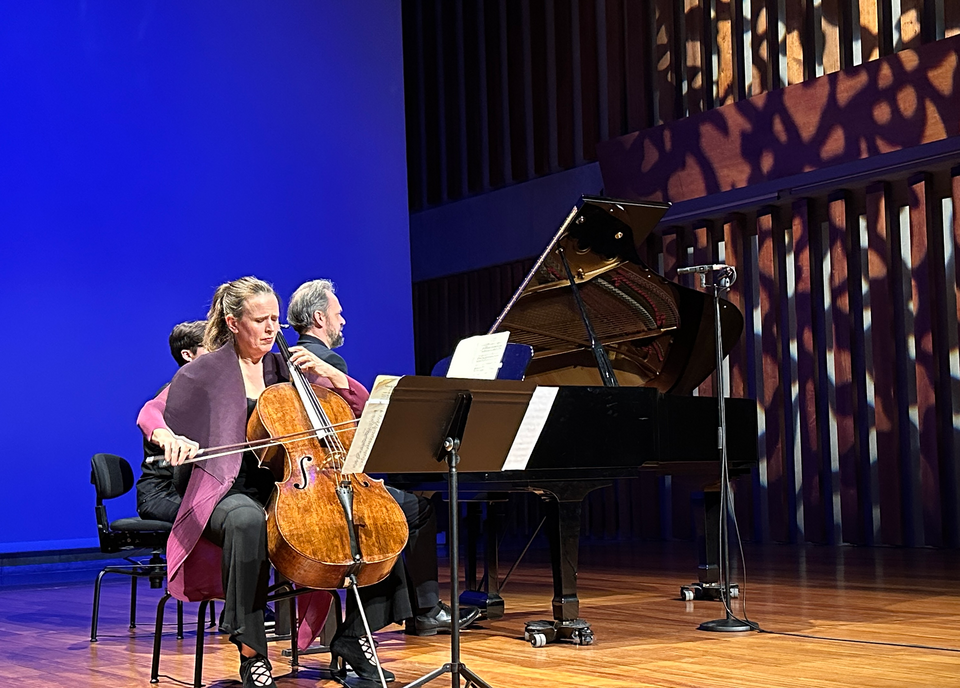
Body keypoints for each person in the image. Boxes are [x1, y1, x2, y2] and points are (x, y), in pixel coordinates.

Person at [159, 277, 370, 688]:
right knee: (247, 521)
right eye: (261, 320)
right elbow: (153, 411)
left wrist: (333, 374)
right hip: (226, 488)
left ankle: (355, 636)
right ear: (234, 322)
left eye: (276, 319)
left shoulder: (286, 367)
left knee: (388, 514)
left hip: (289, 485)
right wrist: (169, 436)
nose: (272, 328)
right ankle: (252, 650)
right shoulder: (209, 370)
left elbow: (358, 408)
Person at [287, 279, 481, 637]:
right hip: (334, 487)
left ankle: (409, 610)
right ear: (318, 318)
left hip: (305, 487)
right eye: (337, 314)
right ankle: (425, 610)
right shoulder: (324, 360)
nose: (343, 321)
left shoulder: (288, 360)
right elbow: (360, 419)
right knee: (419, 510)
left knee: (399, 507)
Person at [135, 321, 206, 523]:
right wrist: (168, 439)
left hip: (193, 489)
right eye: (213, 346)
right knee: (216, 518)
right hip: (162, 492)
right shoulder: (179, 390)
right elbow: (148, 413)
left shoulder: (218, 391)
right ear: (188, 355)